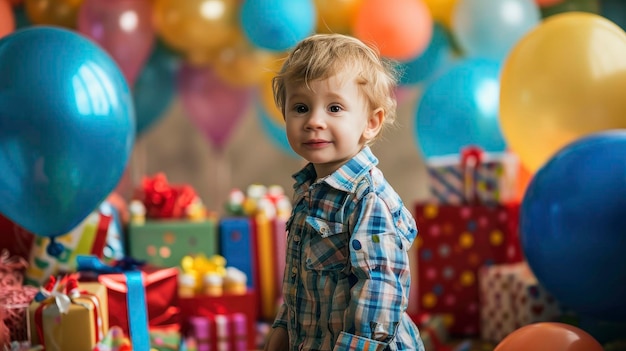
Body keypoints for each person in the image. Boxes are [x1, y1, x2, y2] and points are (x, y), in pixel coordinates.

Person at [264, 33, 425, 351]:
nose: (314, 121)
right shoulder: (309, 191)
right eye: (300, 107)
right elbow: (301, 279)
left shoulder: (368, 200)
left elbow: (380, 289)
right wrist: (284, 327)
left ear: (371, 122)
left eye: (334, 108)